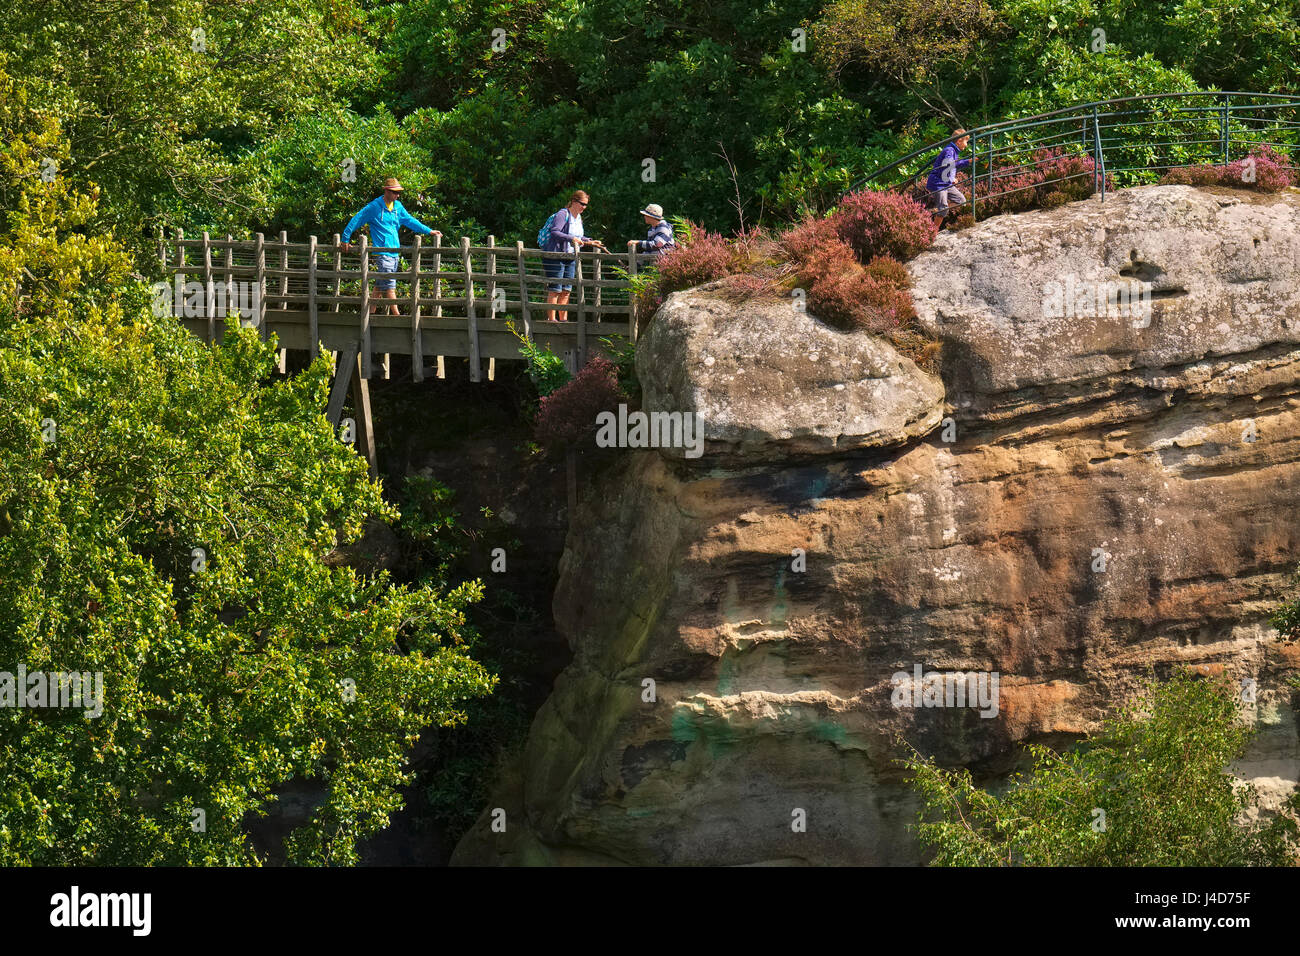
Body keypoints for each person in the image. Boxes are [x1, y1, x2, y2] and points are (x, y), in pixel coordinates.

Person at [340, 177, 435, 315]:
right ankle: (397, 315)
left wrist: (429, 231)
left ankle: (370, 313)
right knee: (390, 285)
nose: (397, 195)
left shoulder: (398, 207)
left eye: (398, 192)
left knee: (380, 284)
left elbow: (410, 221)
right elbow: (358, 218)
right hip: (382, 253)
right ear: (386, 191)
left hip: (394, 252)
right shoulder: (375, 207)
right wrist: (345, 237)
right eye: (395, 192)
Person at [542, 190, 605, 322]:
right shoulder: (563, 214)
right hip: (556, 256)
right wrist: (572, 239)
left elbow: (578, 236)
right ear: (574, 201)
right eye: (582, 204)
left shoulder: (578, 218)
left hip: (570, 256)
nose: (584, 207)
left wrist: (590, 241)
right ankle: (552, 319)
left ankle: (563, 319)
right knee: (555, 288)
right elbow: (555, 232)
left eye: (586, 205)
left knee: (566, 289)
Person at [925, 129, 972, 229]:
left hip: (946, 183)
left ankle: (938, 210)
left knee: (961, 200)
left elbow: (950, 165)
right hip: (938, 183)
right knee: (944, 209)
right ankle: (933, 232)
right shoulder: (949, 150)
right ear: (959, 141)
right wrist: (967, 162)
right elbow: (949, 163)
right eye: (966, 141)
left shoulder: (953, 150)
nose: (966, 144)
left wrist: (968, 162)